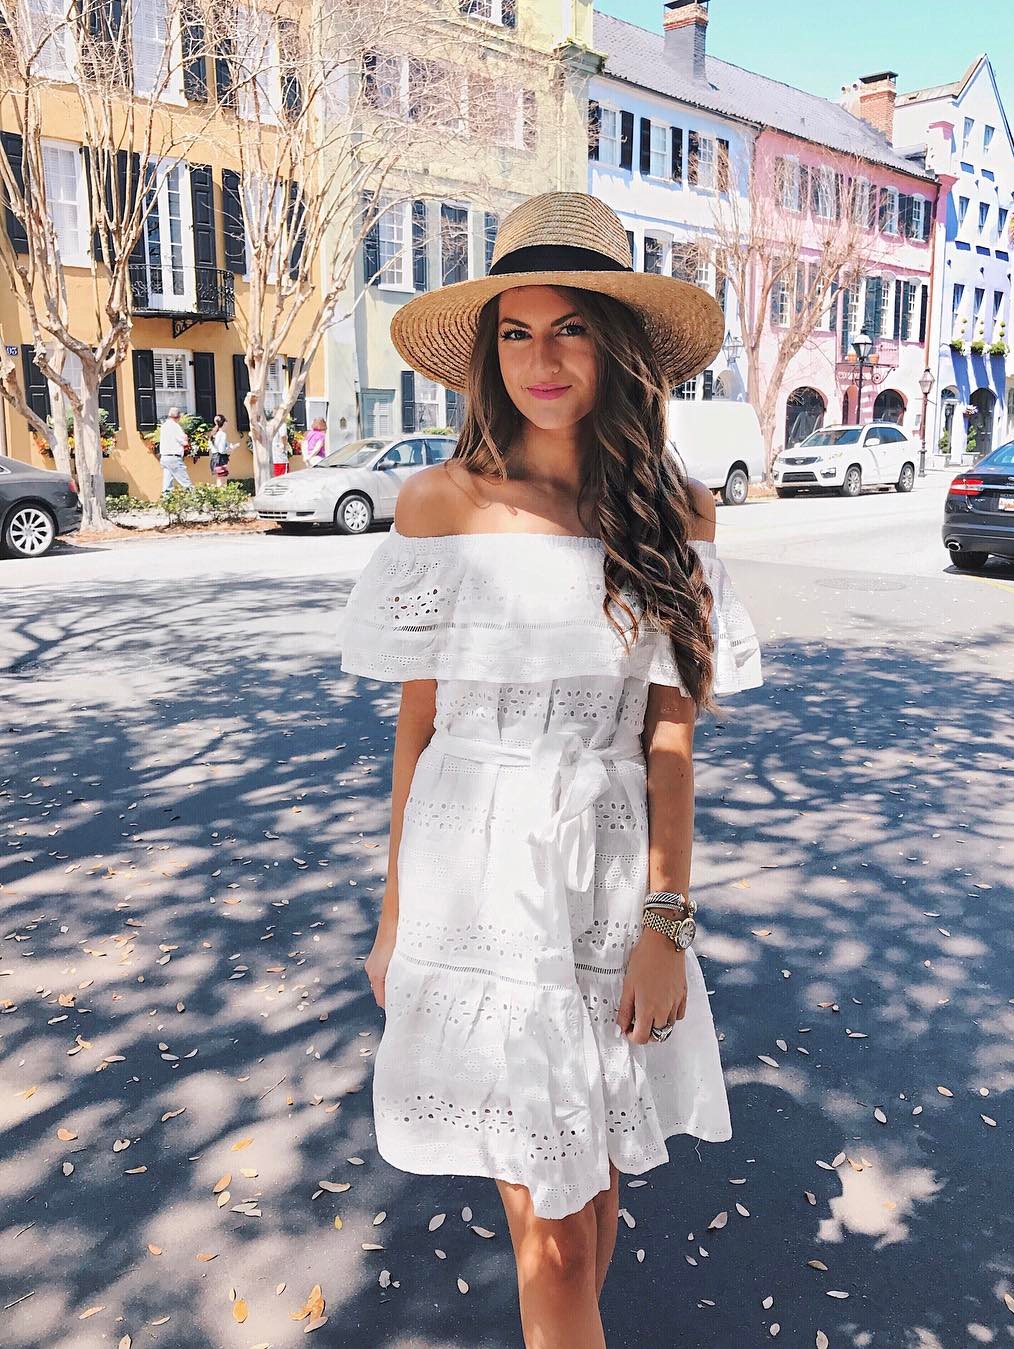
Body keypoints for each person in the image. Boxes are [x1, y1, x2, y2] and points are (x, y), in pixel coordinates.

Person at [339, 193, 762, 1347]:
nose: (542, 358)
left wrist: (667, 921)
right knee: (559, 1234)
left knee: (596, 1178)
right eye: (517, 333)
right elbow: (417, 728)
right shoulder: (440, 502)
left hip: (609, 877)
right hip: (476, 882)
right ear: (489, 355)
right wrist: (392, 916)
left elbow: (668, 737)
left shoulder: (677, 511)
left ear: (615, 346)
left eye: (570, 327)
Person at [158, 407, 192, 494]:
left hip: (164, 457)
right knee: (186, 482)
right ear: (179, 417)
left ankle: (166, 499)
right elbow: (184, 442)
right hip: (174, 457)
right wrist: (186, 438)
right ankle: (194, 498)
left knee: (167, 485)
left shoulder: (164, 426)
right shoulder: (175, 426)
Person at [209, 413, 238, 483]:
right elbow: (222, 450)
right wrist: (232, 448)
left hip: (214, 458)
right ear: (224, 423)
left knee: (219, 480)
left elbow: (211, 446)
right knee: (222, 481)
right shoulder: (222, 434)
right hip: (221, 459)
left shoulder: (214, 433)